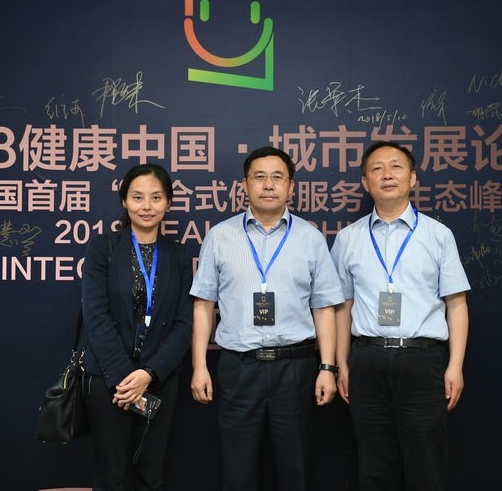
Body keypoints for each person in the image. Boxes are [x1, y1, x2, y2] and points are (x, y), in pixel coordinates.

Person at [189, 146, 345, 491]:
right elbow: (203, 305)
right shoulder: (220, 236)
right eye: (259, 177)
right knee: (237, 471)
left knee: (295, 469)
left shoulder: (310, 238)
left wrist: (328, 367)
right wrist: (199, 366)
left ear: (291, 187)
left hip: (295, 369)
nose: (268, 185)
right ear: (245, 184)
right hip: (238, 368)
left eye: (278, 177)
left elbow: (324, 308)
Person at [330, 141, 470, 490]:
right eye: (377, 168)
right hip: (367, 360)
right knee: (375, 467)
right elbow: (342, 307)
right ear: (365, 183)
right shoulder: (348, 238)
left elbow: (456, 304)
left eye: (396, 167)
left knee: (427, 467)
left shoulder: (438, 235)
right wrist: (341, 364)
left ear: (412, 178)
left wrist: (455, 365)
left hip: (422, 361)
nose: (387, 175)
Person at [82, 163, 193, 491]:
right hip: (109, 381)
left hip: (158, 380)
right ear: (124, 201)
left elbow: (184, 323)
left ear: (168, 203)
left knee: (150, 477)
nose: (147, 206)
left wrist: (149, 373)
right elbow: (95, 315)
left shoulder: (178, 255)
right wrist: (124, 377)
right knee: (110, 478)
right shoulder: (103, 247)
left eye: (156, 197)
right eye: (138, 197)